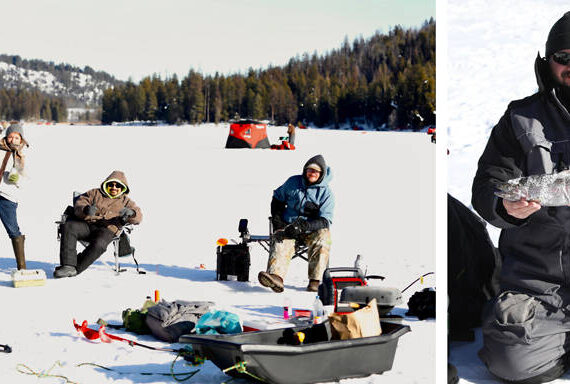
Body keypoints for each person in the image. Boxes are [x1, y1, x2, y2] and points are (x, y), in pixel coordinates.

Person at [472, 12, 570, 383]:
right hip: (538, 283)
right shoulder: (520, 118)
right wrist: (504, 209)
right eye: (565, 57)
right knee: (510, 361)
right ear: (549, 62)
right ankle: (553, 344)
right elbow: (487, 186)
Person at [258, 154, 334, 293]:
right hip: (288, 227)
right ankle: (276, 278)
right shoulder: (293, 182)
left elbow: (325, 220)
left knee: (324, 237)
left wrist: (304, 226)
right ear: (305, 170)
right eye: (309, 170)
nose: (312, 173)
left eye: (316, 171)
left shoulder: (326, 193)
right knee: (280, 239)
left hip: (310, 232)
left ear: (321, 174)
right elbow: (277, 199)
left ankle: (315, 281)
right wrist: (278, 222)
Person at [54, 170, 142, 278]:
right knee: (69, 226)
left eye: (117, 185)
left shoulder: (126, 201)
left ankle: (76, 268)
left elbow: (138, 217)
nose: (114, 187)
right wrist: (85, 209)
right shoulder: (95, 193)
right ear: (106, 184)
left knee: (99, 244)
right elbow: (80, 203)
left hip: (108, 230)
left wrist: (132, 213)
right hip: (87, 225)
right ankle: (67, 266)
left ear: (123, 187)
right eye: (111, 184)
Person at [0, 123, 29, 270]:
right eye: (10, 136)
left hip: (8, 197)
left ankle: (21, 266)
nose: (13, 139)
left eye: (16, 137)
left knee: (12, 229)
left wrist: (17, 176)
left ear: (21, 138)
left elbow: (27, 177)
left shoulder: (23, 154)